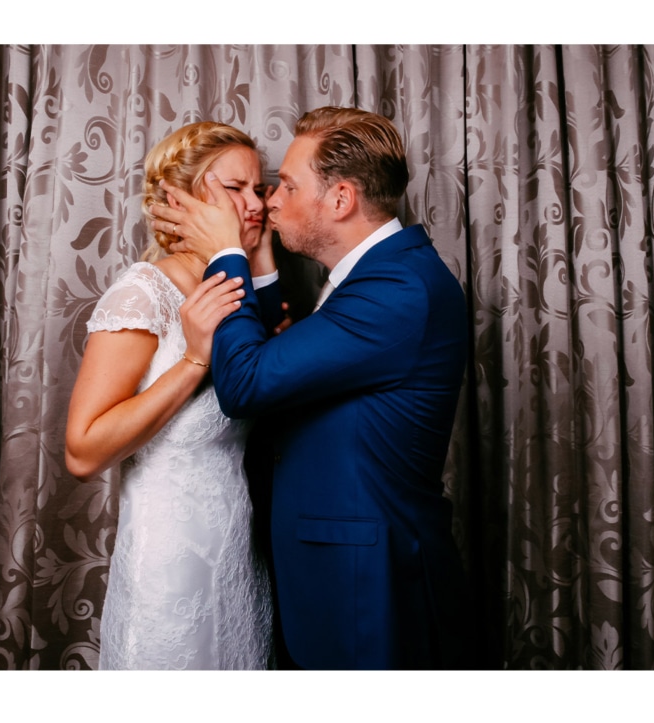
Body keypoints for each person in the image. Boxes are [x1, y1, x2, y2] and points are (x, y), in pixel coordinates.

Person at [159, 106, 473, 669]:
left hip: (367, 586)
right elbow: (297, 370)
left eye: (288, 186)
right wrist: (254, 261)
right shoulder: (377, 276)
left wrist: (226, 253)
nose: (270, 201)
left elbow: (248, 382)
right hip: (335, 571)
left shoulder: (397, 290)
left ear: (341, 199)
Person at [62, 121, 277, 669]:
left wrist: (265, 267)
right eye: (236, 189)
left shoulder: (237, 293)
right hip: (169, 562)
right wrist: (193, 361)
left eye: (260, 189)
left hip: (238, 551)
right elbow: (82, 452)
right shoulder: (143, 293)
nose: (257, 204)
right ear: (181, 198)